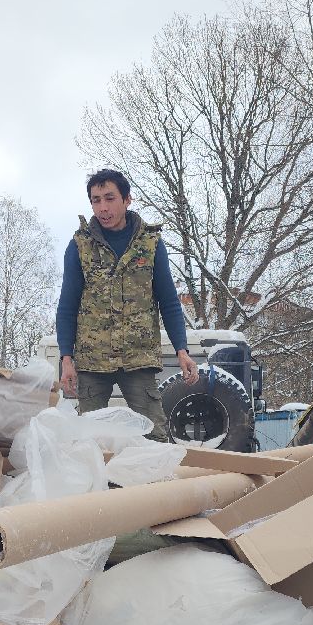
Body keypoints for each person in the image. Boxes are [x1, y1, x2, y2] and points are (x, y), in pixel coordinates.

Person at [55, 168, 198, 441]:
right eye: (96, 200)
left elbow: (169, 301)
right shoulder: (80, 246)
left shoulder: (150, 244)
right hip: (93, 361)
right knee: (89, 439)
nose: (103, 207)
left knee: (155, 435)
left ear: (127, 199)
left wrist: (182, 350)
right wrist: (66, 358)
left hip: (138, 358)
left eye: (110, 198)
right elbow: (67, 307)